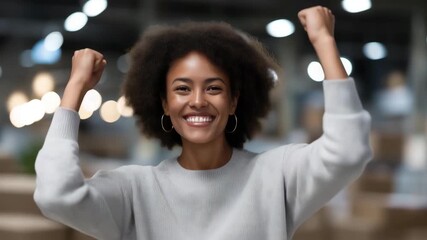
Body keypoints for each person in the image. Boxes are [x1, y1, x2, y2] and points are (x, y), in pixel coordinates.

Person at [34, 6, 372, 240]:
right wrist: (74, 90)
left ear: (234, 100)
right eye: (182, 89)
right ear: (164, 104)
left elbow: (348, 152)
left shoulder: (276, 176)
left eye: (214, 88)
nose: (197, 100)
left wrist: (324, 43)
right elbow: (56, 196)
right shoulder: (135, 190)